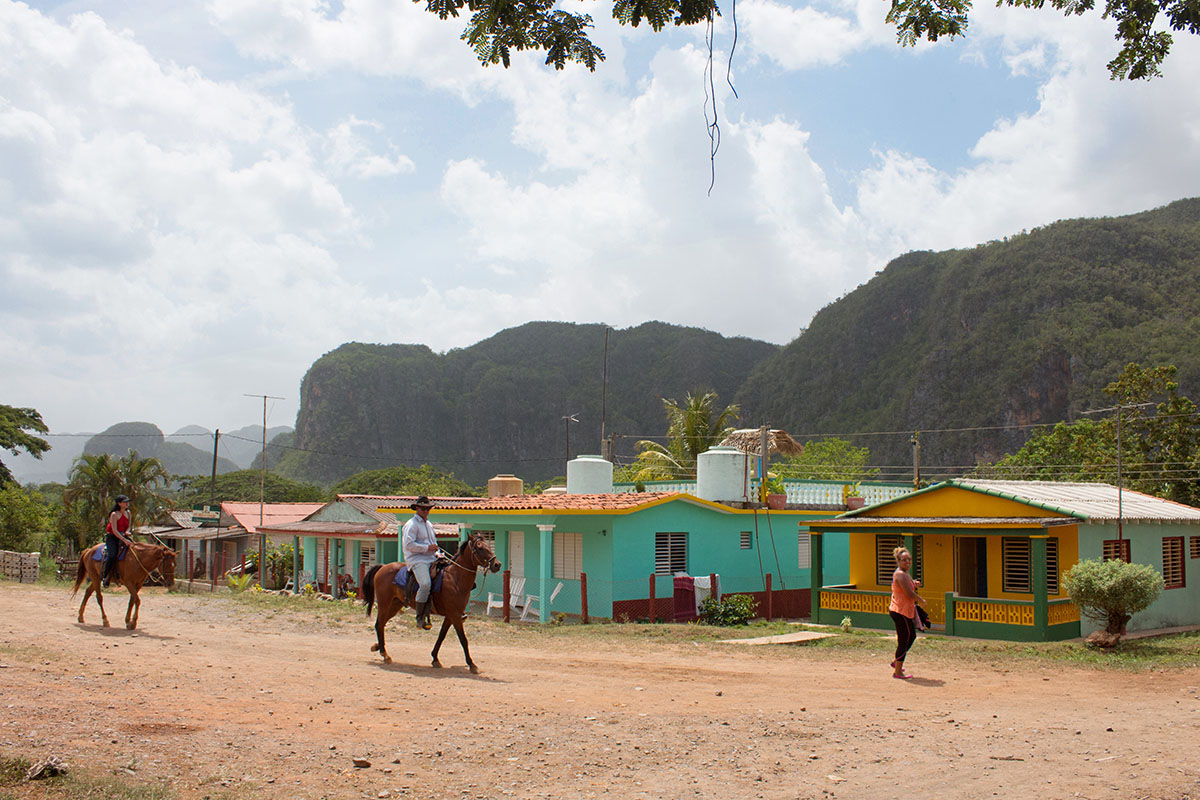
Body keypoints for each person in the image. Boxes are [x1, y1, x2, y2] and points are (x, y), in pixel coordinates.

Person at [402, 496, 439, 630]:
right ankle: (419, 617)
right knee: (425, 584)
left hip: (431, 557)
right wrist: (427, 548)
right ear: (417, 508)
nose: (426, 511)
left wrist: (437, 551)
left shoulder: (428, 524)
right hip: (417, 559)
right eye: (423, 508)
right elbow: (409, 544)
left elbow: (433, 542)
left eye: (428, 508)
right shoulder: (411, 524)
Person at [888, 546, 925, 679]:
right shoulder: (900, 574)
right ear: (898, 561)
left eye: (909, 559)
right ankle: (898, 671)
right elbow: (908, 593)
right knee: (905, 639)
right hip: (899, 611)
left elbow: (907, 586)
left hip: (904, 611)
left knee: (911, 636)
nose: (908, 562)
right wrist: (920, 600)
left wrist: (913, 583)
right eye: (904, 560)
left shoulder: (905, 574)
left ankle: (897, 662)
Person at [102, 495, 133, 588]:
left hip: (124, 536)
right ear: (119, 503)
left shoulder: (128, 513)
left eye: (127, 502)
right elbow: (114, 530)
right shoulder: (114, 514)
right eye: (125, 502)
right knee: (112, 555)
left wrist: (127, 531)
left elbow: (129, 526)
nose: (127, 503)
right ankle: (105, 576)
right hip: (113, 538)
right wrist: (124, 540)